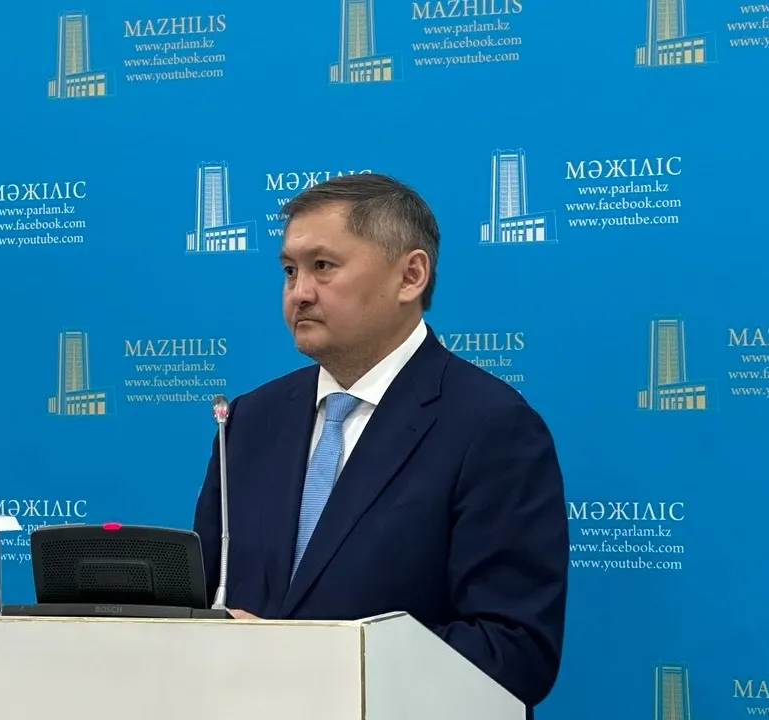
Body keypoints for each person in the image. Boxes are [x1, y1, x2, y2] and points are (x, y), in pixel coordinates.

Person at [192, 173, 569, 712]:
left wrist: (306, 660)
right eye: (290, 270)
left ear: (410, 276)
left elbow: (513, 650)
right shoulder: (249, 420)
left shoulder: (492, 427)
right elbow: (206, 601)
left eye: (324, 266)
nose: (300, 292)